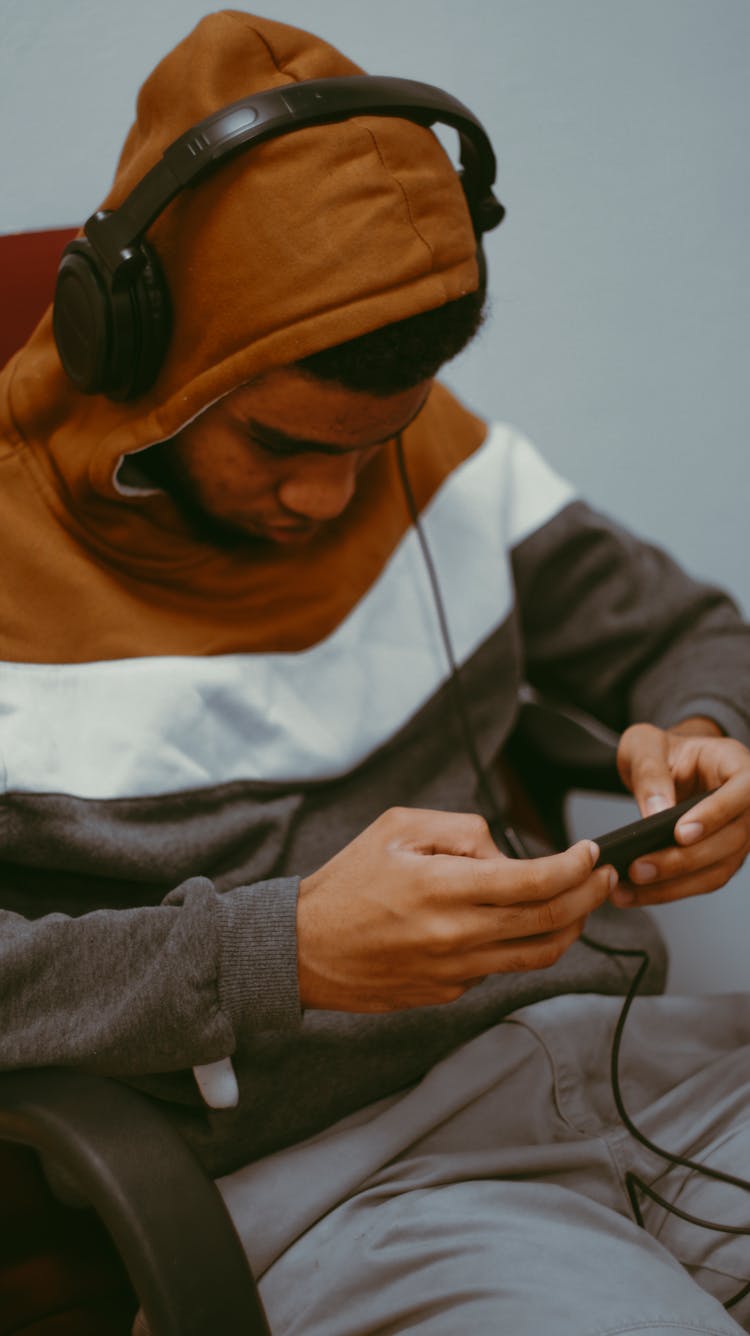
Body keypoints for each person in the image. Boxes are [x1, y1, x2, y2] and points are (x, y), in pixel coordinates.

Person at [2, 10, 750, 1335]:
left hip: (637, 1064)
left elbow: (688, 631)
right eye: (283, 442)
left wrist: (704, 731)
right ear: (140, 354)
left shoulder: (428, 449)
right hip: (358, 1178)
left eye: (373, 440)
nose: (330, 493)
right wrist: (273, 955)